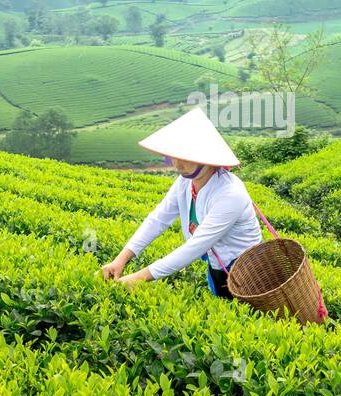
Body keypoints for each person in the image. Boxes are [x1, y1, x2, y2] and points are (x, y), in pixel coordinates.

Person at [97, 107, 262, 297]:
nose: (177, 163)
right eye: (174, 155)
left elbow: (196, 246)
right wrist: (121, 259)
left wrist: (139, 277)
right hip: (218, 266)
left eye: (184, 157)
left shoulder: (230, 194)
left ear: (206, 158)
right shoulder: (185, 182)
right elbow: (158, 219)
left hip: (249, 270)